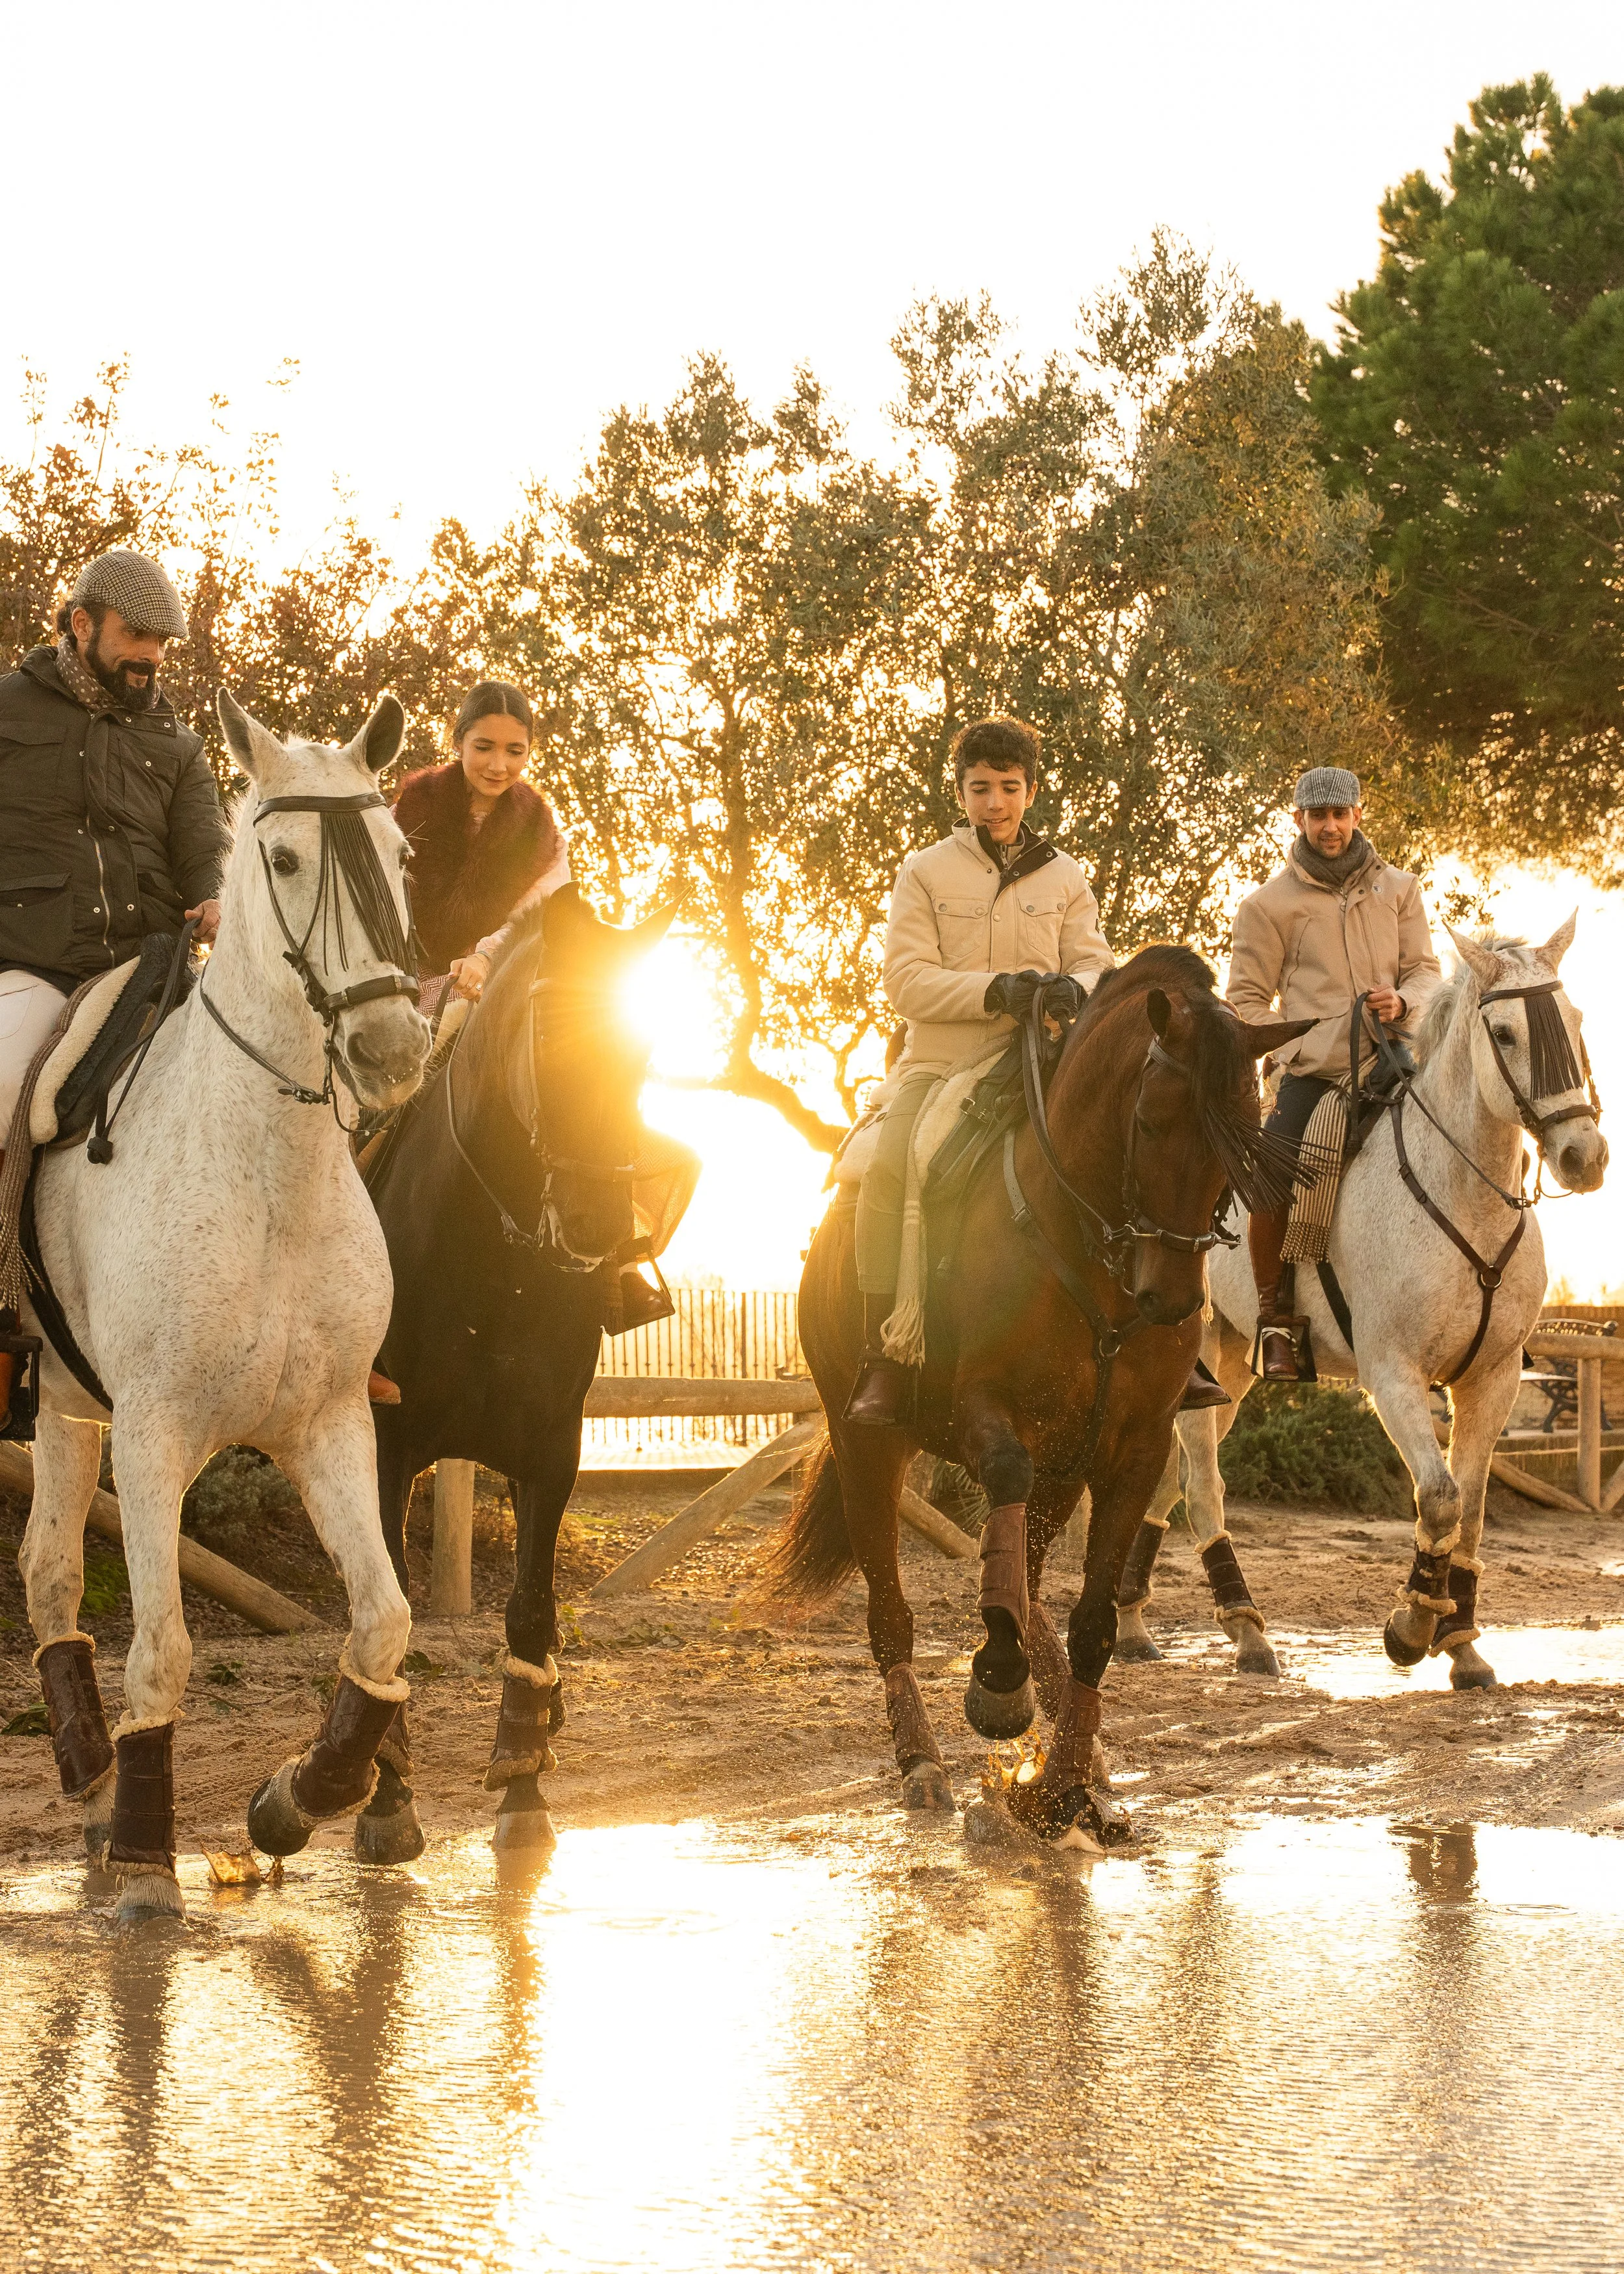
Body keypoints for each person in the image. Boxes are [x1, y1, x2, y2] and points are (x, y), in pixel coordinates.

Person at [1, 549, 229, 1438]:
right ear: (80, 622)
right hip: (29, 968)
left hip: (147, 976)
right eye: (136, 635)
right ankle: (8, 1321)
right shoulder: (8, 709)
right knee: (4, 1100)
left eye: (163, 644)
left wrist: (213, 894)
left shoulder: (177, 745)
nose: (151, 657)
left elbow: (203, 849)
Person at [844, 717, 1117, 1427]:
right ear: (959, 791)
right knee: (890, 1163)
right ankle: (883, 1350)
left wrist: (1075, 990)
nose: (993, 803)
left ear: (1030, 789)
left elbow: (1093, 960)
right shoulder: (924, 870)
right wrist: (995, 990)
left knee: (1126, 1152)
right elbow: (904, 981)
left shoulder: (1065, 875)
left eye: (1006, 788)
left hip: (1045, 1060)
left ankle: (1161, 1344)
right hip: (940, 1062)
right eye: (978, 788)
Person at [1226, 764, 1441, 1380]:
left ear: (1358, 814)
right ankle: (1274, 1318)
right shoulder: (1267, 906)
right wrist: (1301, 1041)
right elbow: (1243, 1002)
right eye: (1317, 816)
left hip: (1396, 1062)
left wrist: (1405, 1003)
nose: (1330, 826)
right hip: (1315, 1077)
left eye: (1339, 813)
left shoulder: (1400, 888)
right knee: (1273, 1170)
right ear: (1298, 820)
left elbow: (1425, 970)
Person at [391, 682, 569, 1019]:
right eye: (484, 748)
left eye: (515, 752)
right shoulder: (409, 811)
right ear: (459, 743)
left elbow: (537, 918)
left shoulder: (542, 836)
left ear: (530, 750)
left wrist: (485, 958)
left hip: (490, 985)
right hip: (395, 975)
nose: (498, 766)